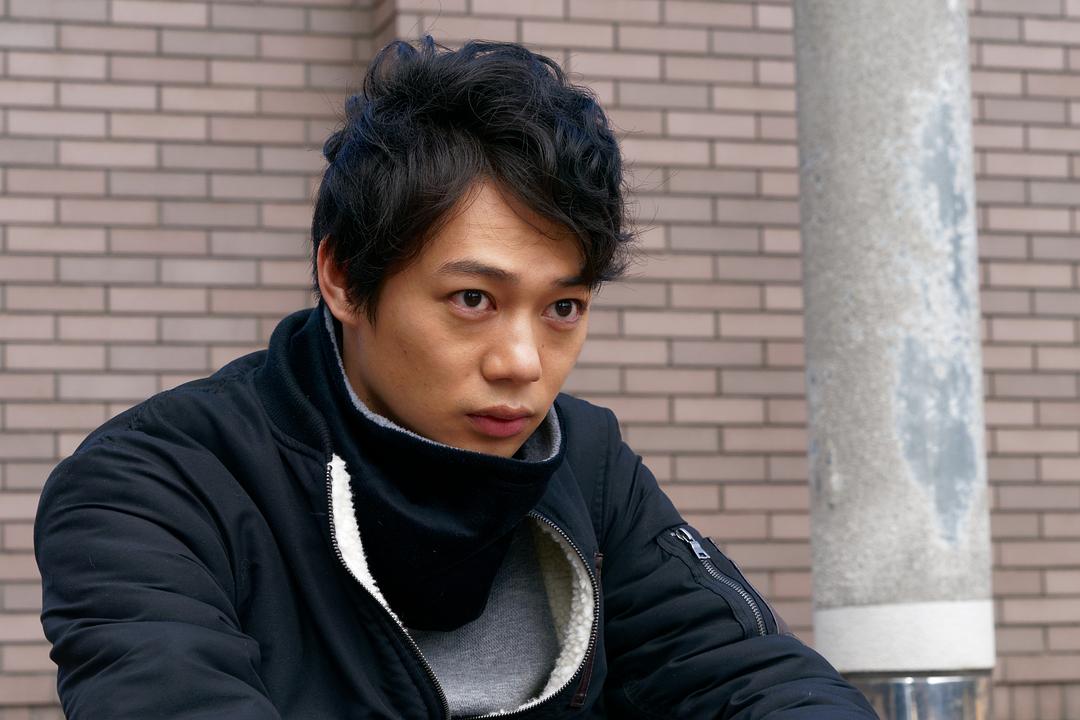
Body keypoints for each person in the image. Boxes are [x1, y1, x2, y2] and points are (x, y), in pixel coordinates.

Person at [35, 37, 876, 718]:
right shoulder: (155, 485)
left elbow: (751, 677)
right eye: (473, 299)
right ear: (343, 278)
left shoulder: (587, 464)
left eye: (563, 308)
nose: (523, 364)